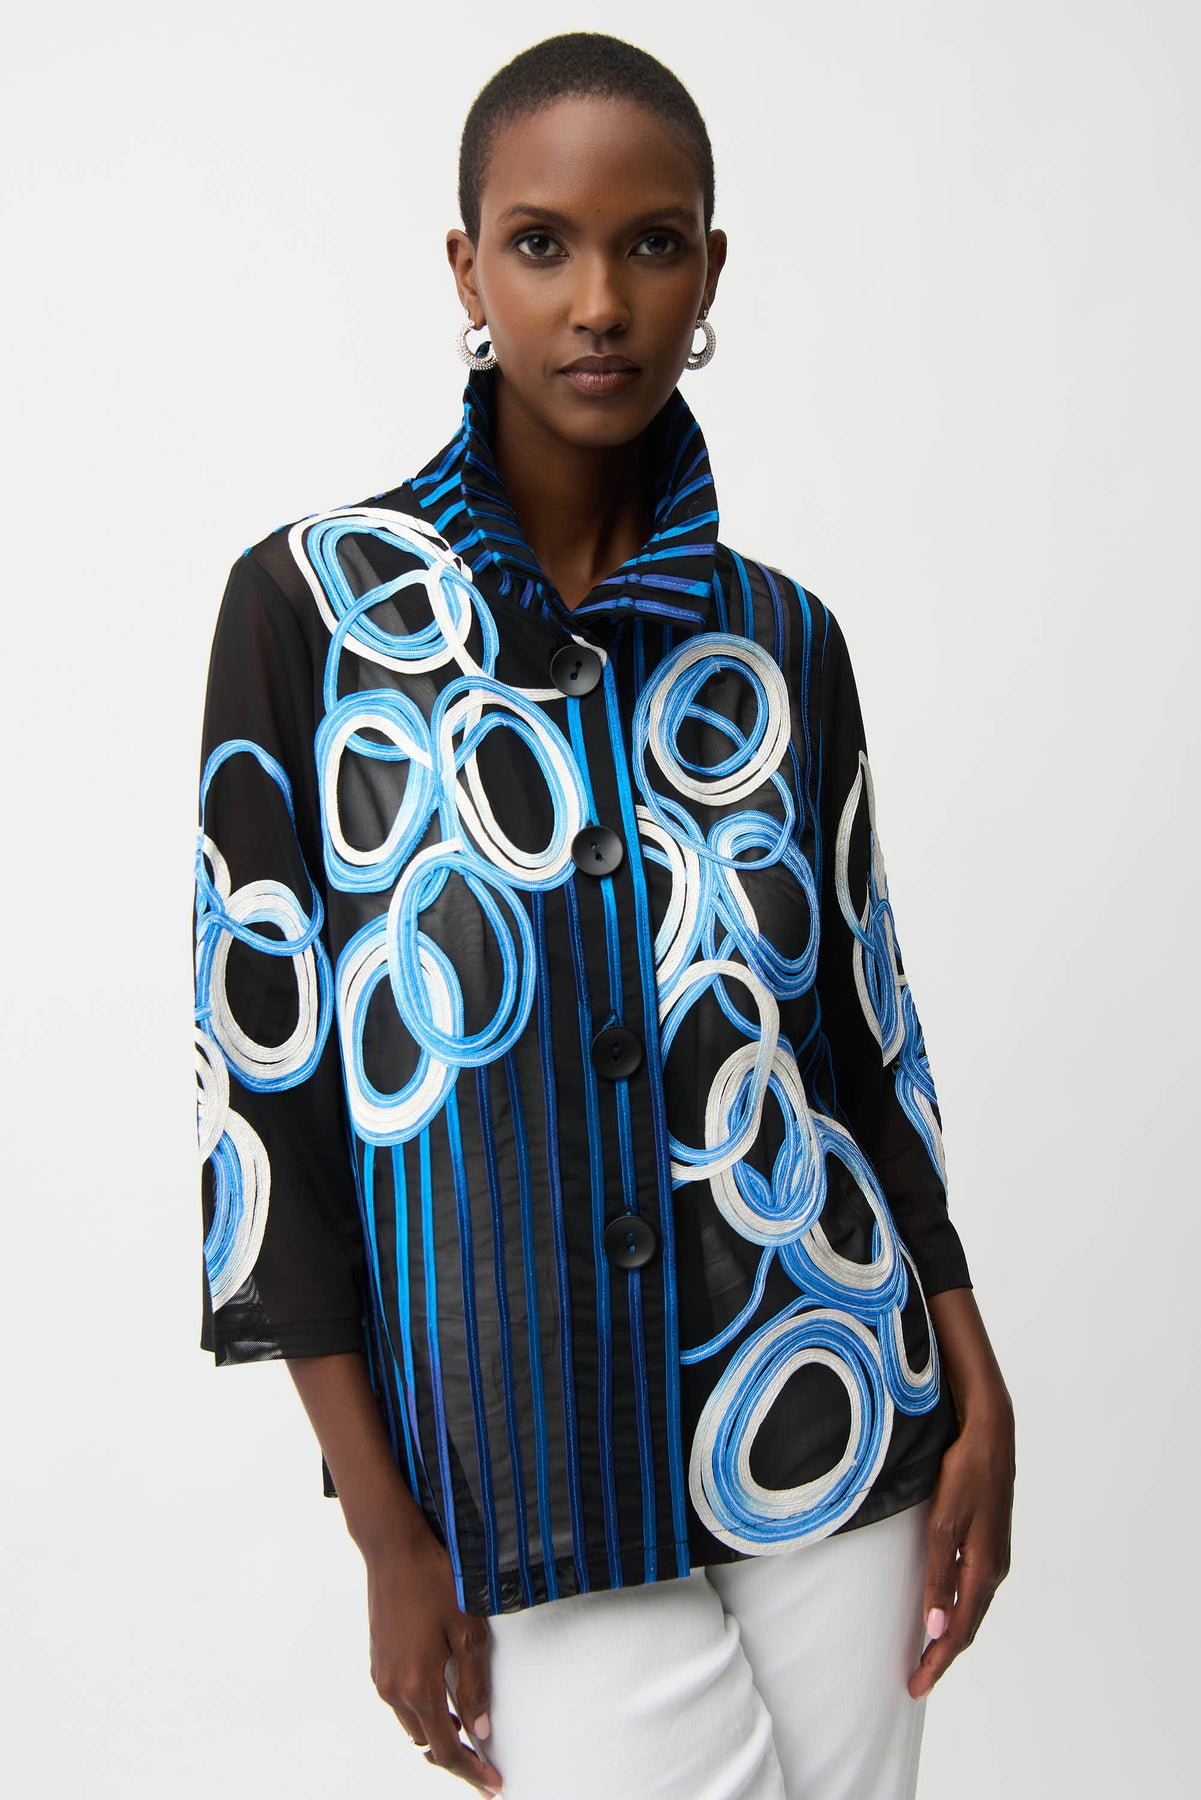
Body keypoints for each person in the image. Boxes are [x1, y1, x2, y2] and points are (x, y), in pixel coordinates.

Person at [192, 30, 1015, 1800]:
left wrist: (976, 1375)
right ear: (465, 267)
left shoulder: (783, 644)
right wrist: (381, 1526)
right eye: (540, 242)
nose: (597, 302)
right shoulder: (313, 618)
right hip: (520, 1456)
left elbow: (861, 1038)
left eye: (650, 245)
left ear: (708, 270)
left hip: (830, 1393)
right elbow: (267, 1093)